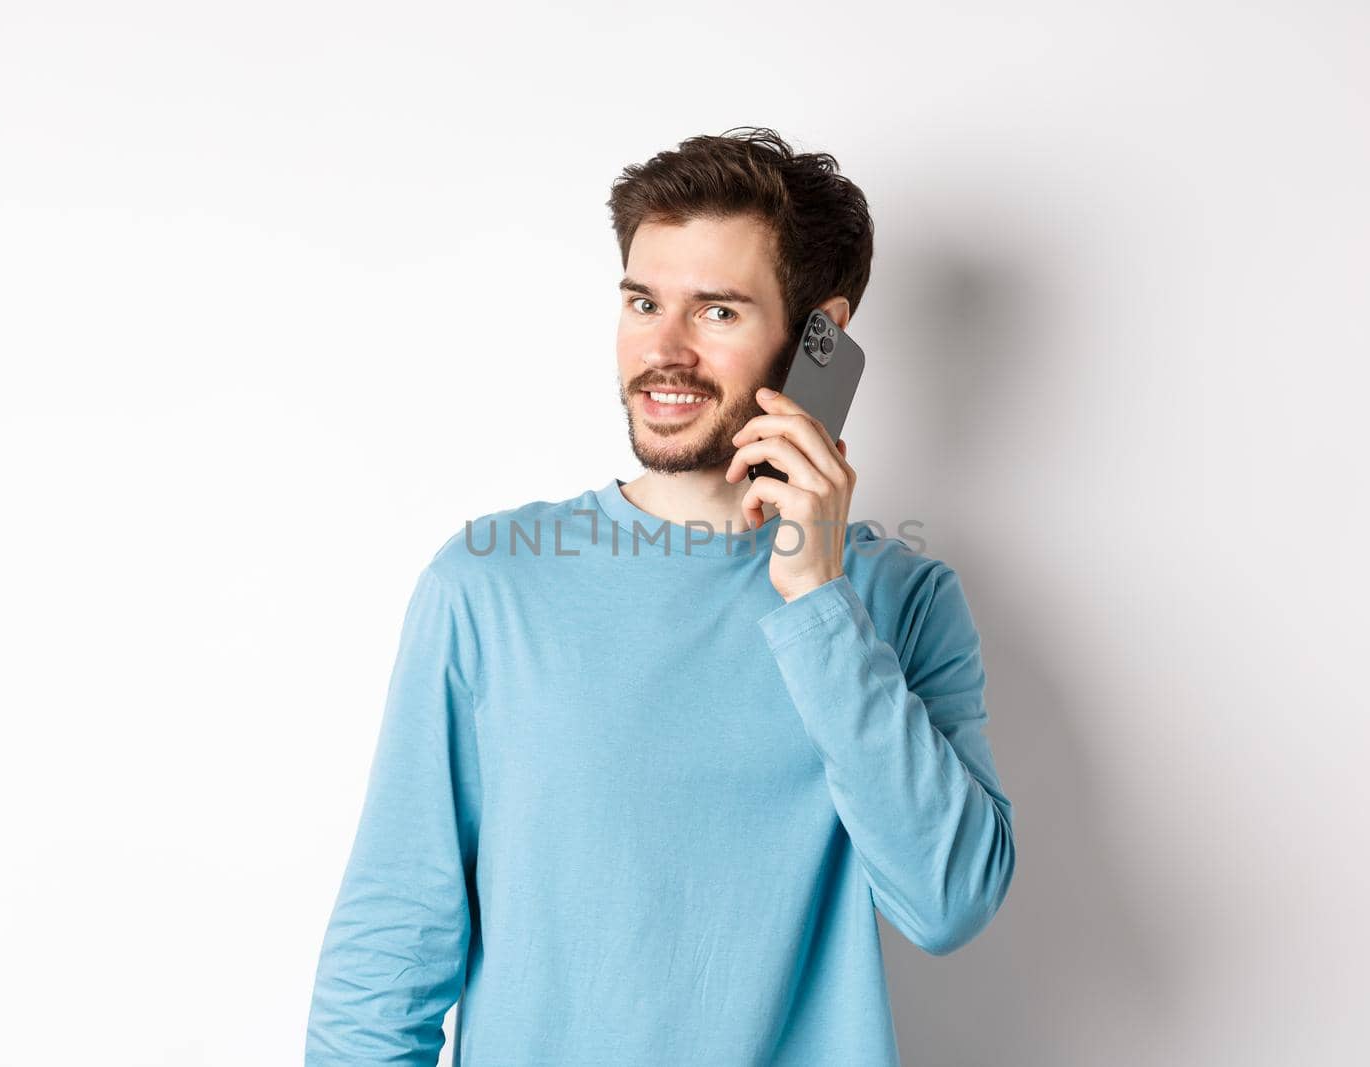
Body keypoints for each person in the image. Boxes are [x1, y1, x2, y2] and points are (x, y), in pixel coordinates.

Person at [304, 127, 1016, 1066]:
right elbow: (392, 944)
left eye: (716, 312)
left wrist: (815, 596)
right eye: (644, 301)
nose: (662, 350)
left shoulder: (901, 599)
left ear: (820, 340)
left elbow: (949, 900)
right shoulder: (489, 584)